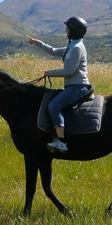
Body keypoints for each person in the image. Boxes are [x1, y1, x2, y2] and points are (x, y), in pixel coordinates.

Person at [26, 16, 91, 155]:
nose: (66, 30)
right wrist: (36, 42)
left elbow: (69, 71)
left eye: (68, 28)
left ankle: (61, 142)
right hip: (73, 86)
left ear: (72, 31)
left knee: (54, 105)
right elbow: (54, 51)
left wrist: (49, 73)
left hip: (78, 87)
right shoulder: (72, 46)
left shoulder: (77, 48)